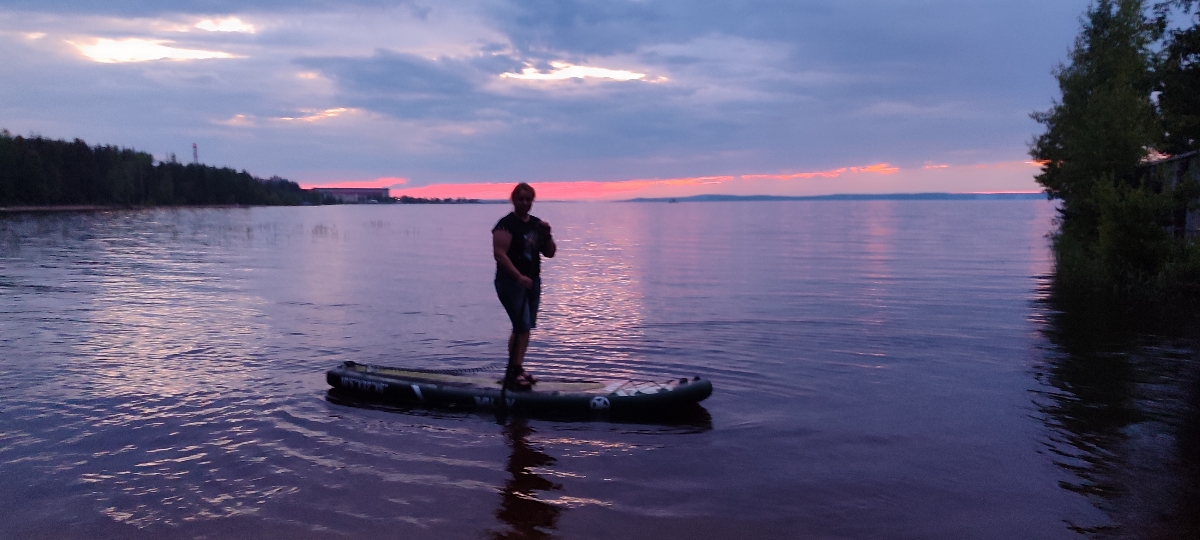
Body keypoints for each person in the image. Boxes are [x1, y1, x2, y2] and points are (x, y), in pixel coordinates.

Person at [493, 183, 556, 391]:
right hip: (510, 282)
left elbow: (549, 253)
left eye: (528, 199)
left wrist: (547, 234)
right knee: (522, 326)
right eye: (521, 199)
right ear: (513, 200)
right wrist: (518, 277)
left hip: (532, 281)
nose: (525, 203)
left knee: (523, 327)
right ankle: (514, 371)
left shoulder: (537, 225)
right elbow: (500, 255)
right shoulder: (505, 225)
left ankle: (515, 369)